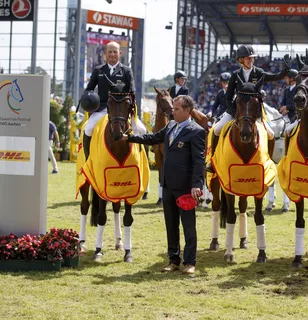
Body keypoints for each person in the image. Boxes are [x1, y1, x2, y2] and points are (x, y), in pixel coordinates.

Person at [122, 95, 205, 275]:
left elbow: (199, 161)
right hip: (167, 185)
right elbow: (153, 138)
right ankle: (173, 260)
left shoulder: (196, 131)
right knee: (171, 224)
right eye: (173, 109)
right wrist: (129, 139)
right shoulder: (170, 126)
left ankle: (190, 263)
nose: (172, 112)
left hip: (186, 188)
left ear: (187, 111)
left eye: (176, 109)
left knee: (188, 226)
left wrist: (197, 185)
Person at [206, 45, 291, 173]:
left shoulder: (259, 72)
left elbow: (275, 77)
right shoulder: (235, 75)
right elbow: (228, 97)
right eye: (247, 58)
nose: (250, 60)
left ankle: (268, 160)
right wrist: (234, 112)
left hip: (254, 112)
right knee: (216, 130)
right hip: (237, 110)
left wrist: (286, 70)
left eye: (252, 58)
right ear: (240, 60)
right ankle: (214, 160)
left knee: (271, 134)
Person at [82, 41, 135, 160]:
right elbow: (89, 88)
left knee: (140, 129)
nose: (112, 54)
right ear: (105, 54)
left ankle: (141, 158)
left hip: (121, 110)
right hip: (102, 109)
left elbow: (132, 90)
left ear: (119, 53)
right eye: (109, 52)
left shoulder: (127, 71)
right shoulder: (98, 70)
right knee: (88, 129)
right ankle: (88, 159)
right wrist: (87, 97)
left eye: (115, 52)